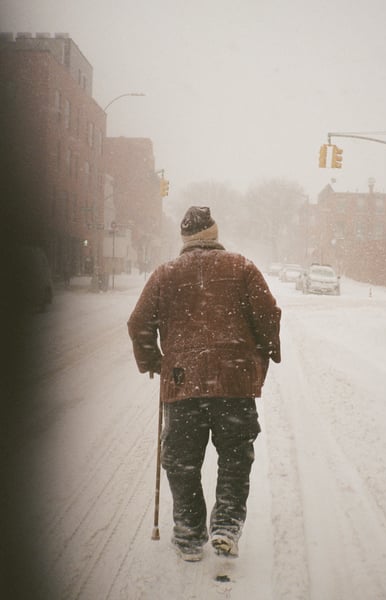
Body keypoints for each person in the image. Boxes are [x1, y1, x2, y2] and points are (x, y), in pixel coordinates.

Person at [127, 206, 281, 562]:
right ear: (214, 234)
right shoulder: (241, 267)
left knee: (181, 460)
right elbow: (268, 315)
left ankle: (189, 532)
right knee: (234, 457)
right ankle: (226, 526)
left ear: (185, 239)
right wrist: (263, 353)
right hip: (234, 381)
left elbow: (139, 324)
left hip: (183, 385)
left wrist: (154, 361)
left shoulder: (165, 275)